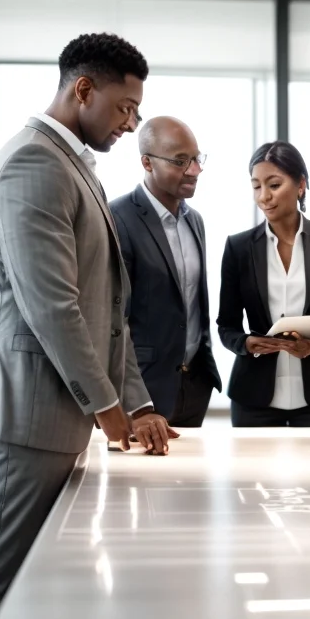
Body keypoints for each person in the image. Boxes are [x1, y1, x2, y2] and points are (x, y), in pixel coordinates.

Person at [0, 33, 177, 619]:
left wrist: (135, 401)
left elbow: (108, 307)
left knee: (28, 574)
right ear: (83, 89)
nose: (130, 124)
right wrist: (106, 405)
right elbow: (52, 305)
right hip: (30, 413)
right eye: (125, 108)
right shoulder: (34, 163)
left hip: (55, 412)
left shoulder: (73, 165)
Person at [217, 141, 310, 427]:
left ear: (301, 185)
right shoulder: (238, 248)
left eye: (274, 185)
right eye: (256, 186)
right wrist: (246, 344)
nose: (264, 196)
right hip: (254, 396)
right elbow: (226, 325)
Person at [109, 117, 222, 426]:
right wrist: (133, 400)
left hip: (194, 387)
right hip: (143, 391)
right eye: (180, 161)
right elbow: (113, 319)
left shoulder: (194, 220)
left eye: (197, 159)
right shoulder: (117, 218)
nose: (194, 170)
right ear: (147, 162)